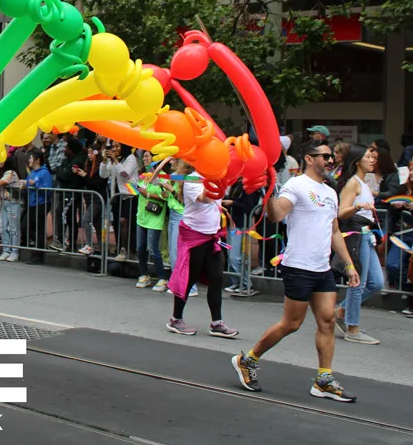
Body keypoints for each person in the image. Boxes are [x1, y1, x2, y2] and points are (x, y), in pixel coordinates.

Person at [232, 140, 361, 402]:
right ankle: (247, 360)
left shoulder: (330, 192)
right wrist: (268, 194)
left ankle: (324, 380)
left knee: (327, 321)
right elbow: (277, 215)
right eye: (324, 156)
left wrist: (348, 265)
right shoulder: (296, 185)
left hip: (322, 267)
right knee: (291, 324)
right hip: (298, 266)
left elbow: (335, 231)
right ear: (309, 159)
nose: (330, 160)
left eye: (331, 156)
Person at [166, 166, 236, 337]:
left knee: (217, 277)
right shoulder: (193, 180)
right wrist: (217, 181)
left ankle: (217, 323)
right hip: (194, 234)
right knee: (189, 278)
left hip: (211, 235)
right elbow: (206, 198)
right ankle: (175, 319)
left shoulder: (215, 177)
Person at [333, 144, 384, 345]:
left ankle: (342, 310)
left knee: (376, 283)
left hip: (366, 235)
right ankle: (352, 328)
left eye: (373, 157)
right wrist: (358, 206)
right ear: (357, 161)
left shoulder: (364, 182)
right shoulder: (353, 183)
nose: (372, 160)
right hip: (357, 235)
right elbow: (341, 212)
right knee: (358, 282)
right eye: (368, 157)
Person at [135, 151, 169, 291]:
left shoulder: (163, 177)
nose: (144, 158)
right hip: (141, 216)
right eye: (143, 156)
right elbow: (137, 190)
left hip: (155, 217)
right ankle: (144, 275)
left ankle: (162, 278)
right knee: (140, 247)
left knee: (153, 248)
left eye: (147, 156)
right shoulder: (143, 176)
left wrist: (148, 194)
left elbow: (166, 196)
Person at [100, 142, 138, 261]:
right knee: (116, 223)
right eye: (113, 147)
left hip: (129, 195)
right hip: (116, 195)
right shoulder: (112, 160)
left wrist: (116, 161)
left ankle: (126, 248)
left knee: (124, 221)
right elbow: (103, 175)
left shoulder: (130, 158)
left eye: (117, 146)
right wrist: (104, 161)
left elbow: (125, 175)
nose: (114, 149)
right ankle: (119, 247)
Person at [0, 156, 22, 262]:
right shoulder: (1, 173)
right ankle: (6, 250)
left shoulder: (10, 172)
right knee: (2, 226)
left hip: (14, 203)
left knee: (13, 228)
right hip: (4, 203)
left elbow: (1, 183)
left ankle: (14, 251)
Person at [22, 150, 53, 265]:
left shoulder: (44, 173)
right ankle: (38, 247)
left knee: (38, 229)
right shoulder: (32, 172)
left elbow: (48, 190)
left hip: (41, 203)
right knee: (25, 226)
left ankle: (39, 254)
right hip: (32, 203)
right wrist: (24, 187)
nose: (29, 160)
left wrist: (35, 184)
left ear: (37, 160)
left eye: (31, 158)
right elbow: (28, 185)